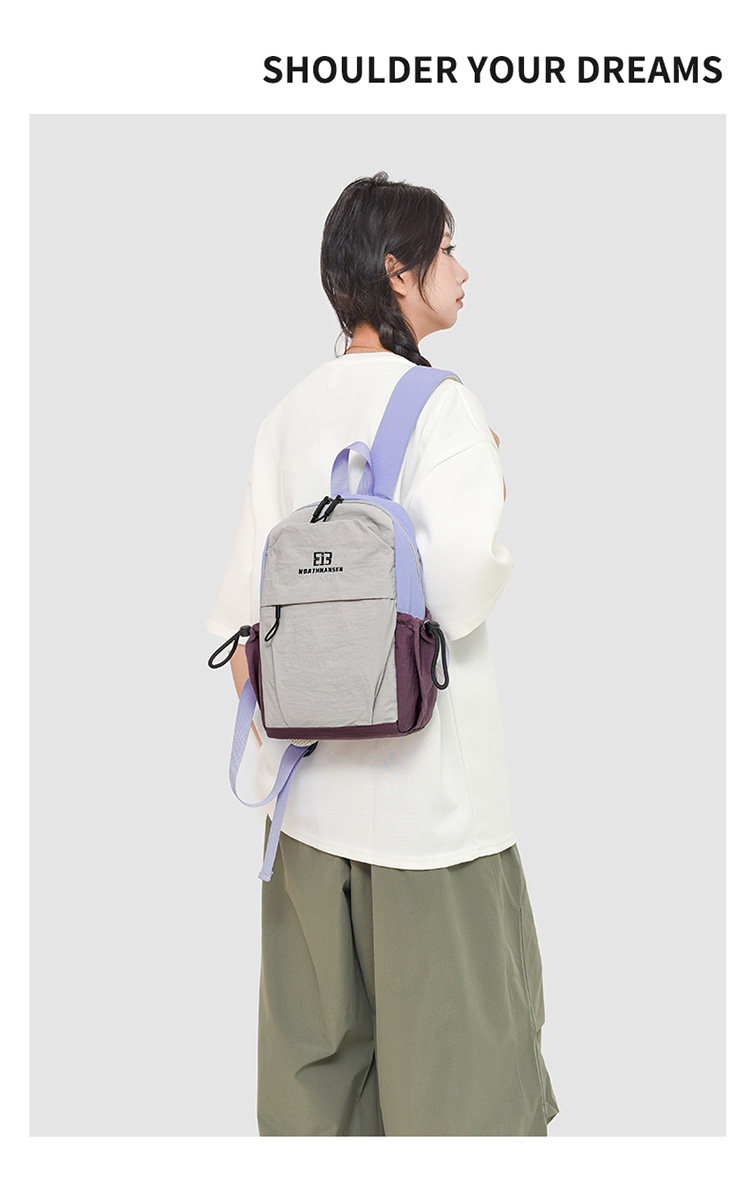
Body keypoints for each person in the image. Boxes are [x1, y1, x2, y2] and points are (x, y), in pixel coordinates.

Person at [205, 171, 559, 1136]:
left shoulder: (287, 414)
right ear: (399, 274)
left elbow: (242, 639)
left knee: (318, 1096)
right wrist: (489, 472)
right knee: (463, 1098)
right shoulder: (442, 407)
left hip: (306, 816)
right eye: (448, 250)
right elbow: (462, 586)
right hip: (431, 819)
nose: (463, 271)